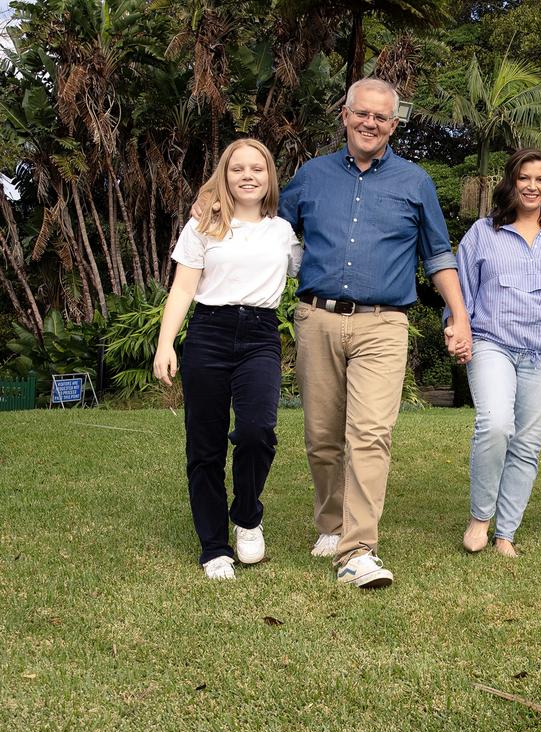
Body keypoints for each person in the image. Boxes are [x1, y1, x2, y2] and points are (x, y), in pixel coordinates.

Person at [279, 78, 472, 587]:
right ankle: (330, 522)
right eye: (362, 114)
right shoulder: (310, 176)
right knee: (322, 437)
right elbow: (269, 231)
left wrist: (459, 315)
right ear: (344, 115)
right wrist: (213, 209)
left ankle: (358, 550)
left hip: (384, 324)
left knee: (369, 434)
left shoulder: (415, 182)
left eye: (381, 118)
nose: (370, 123)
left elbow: (437, 255)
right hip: (316, 319)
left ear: (394, 124)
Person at [154, 138, 302, 580]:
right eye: (238, 168)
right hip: (209, 334)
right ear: (225, 174)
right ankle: (214, 546)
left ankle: (248, 515)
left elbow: (313, 270)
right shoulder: (203, 226)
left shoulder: (283, 231)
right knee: (206, 445)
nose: (248, 176)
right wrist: (166, 344)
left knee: (258, 431)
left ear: (270, 176)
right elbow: (182, 288)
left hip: (260, 335)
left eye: (257, 168)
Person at [452, 149, 541, 558]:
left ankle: (506, 533)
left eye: (540, 179)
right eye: (524, 178)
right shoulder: (482, 233)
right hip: (493, 343)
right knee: (494, 425)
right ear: (511, 182)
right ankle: (480, 517)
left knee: (527, 444)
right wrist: (456, 329)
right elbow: (460, 293)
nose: (532, 186)